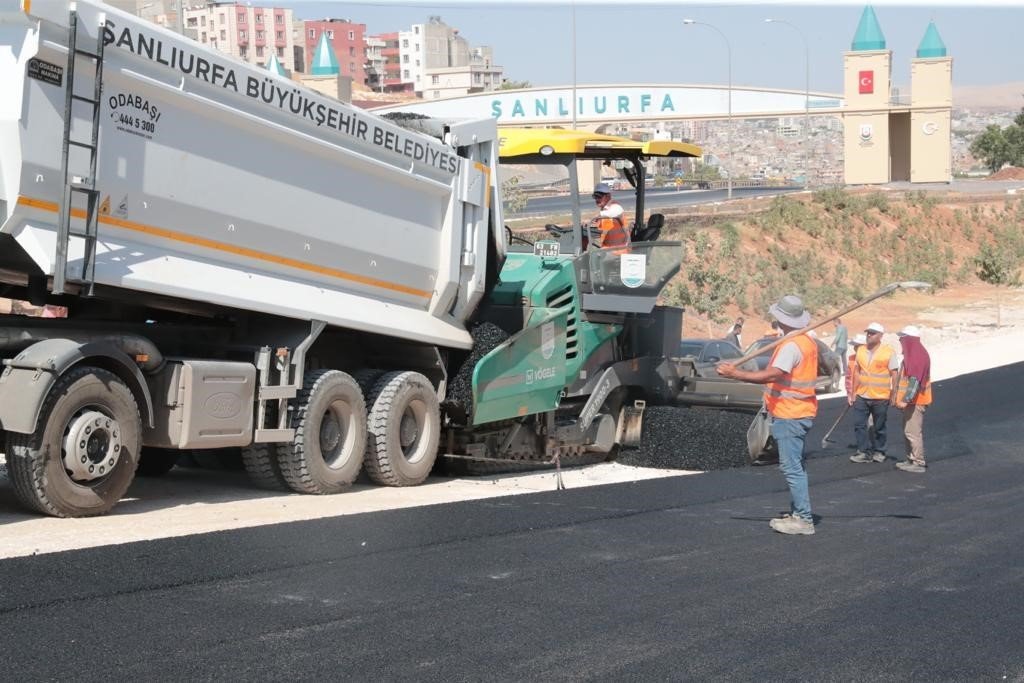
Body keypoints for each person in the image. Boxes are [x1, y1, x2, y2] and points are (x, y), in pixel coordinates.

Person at [718, 294, 818, 536]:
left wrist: (736, 374)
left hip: (790, 414)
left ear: (780, 318)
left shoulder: (792, 345)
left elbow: (772, 374)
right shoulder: (804, 341)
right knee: (796, 466)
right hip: (799, 411)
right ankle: (798, 511)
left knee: (791, 467)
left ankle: (803, 519)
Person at [848, 322, 899, 463]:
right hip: (862, 394)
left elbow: (894, 374)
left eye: (873, 333)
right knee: (859, 424)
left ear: (881, 336)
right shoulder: (861, 351)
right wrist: (853, 392)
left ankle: (879, 451)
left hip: (880, 396)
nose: (869, 335)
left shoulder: (888, 352)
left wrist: (893, 394)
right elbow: (857, 373)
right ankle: (862, 451)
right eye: (868, 332)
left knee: (879, 426)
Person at [893, 325, 932, 473]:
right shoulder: (913, 355)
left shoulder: (917, 357)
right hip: (911, 402)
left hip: (916, 402)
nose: (900, 340)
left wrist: (905, 400)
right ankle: (911, 458)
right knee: (908, 430)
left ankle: (918, 461)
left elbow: (914, 381)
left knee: (913, 432)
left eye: (902, 338)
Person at [589, 182, 630, 251]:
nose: (597, 200)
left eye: (599, 197)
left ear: (608, 196)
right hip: (608, 249)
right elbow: (604, 230)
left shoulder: (615, 207)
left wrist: (597, 216)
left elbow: (611, 213)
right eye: (595, 197)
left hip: (619, 250)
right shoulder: (604, 210)